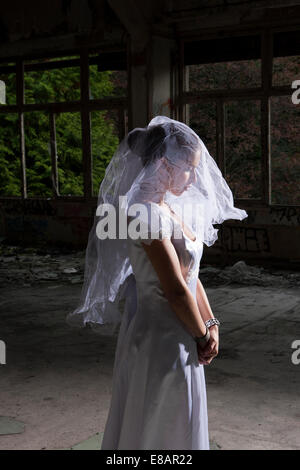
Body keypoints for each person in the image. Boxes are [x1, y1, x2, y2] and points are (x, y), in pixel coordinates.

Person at [66, 116, 248, 450]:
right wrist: (202, 336)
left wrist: (212, 324)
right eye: (189, 169)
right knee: (160, 425)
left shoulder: (168, 208)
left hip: (184, 330)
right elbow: (175, 290)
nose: (194, 179)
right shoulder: (142, 214)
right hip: (162, 338)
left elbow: (190, 277)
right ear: (165, 164)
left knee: (177, 422)